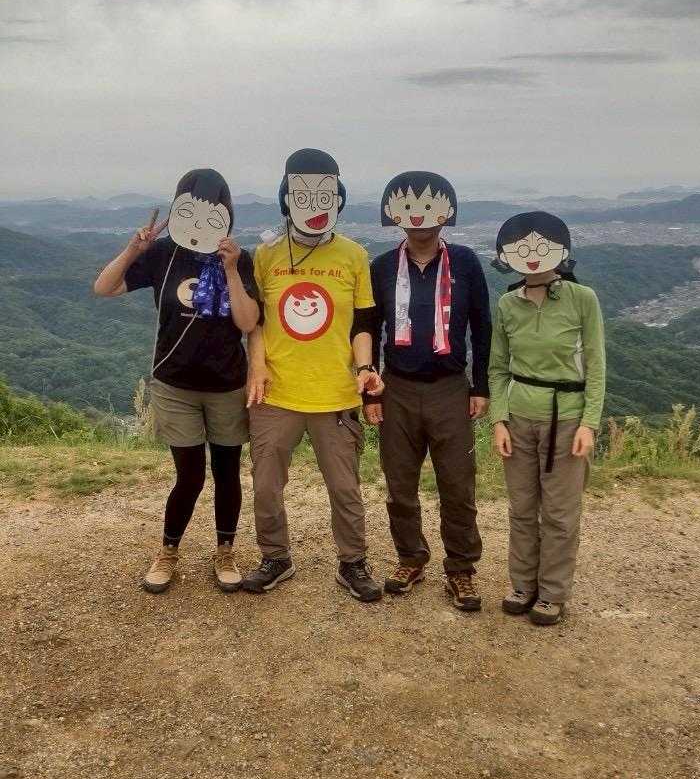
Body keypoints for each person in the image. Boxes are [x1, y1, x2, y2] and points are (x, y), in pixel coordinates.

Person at [93, 168, 261, 594]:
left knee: (227, 472)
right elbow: (105, 288)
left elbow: (248, 322)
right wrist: (133, 249)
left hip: (226, 384)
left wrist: (231, 270)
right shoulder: (163, 253)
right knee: (189, 476)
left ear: (226, 214)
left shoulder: (239, 259)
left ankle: (225, 550)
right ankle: (168, 551)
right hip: (174, 384)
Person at [242, 148, 384, 602]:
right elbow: (255, 321)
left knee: (345, 487)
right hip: (277, 390)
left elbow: (364, 322)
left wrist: (365, 368)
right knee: (266, 485)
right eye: (303, 196)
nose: (315, 207)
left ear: (338, 198)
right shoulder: (265, 255)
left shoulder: (354, 255)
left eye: (325, 196)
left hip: (336, 392)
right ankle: (275, 557)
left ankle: (352, 562)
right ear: (287, 199)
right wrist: (257, 366)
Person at [364, 171, 491, 612]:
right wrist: (371, 393)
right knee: (399, 483)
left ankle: (461, 567)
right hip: (396, 387)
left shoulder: (465, 262)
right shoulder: (382, 266)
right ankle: (410, 557)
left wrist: (480, 385)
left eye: (428, 207)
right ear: (394, 214)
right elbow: (368, 328)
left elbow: (482, 326)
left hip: (450, 388)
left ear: (445, 213)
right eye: (407, 208)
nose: (418, 217)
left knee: (457, 483)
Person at [488, 211, 605, 626]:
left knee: (559, 512)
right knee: (521, 508)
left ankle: (553, 592)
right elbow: (497, 368)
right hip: (519, 416)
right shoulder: (507, 304)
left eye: (542, 247)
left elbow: (596, 365)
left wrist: (589, 423)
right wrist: (498, 421)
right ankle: (523, 584)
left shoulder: (582, 299)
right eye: (522, 248)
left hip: (567, 418)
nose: (533, 256)